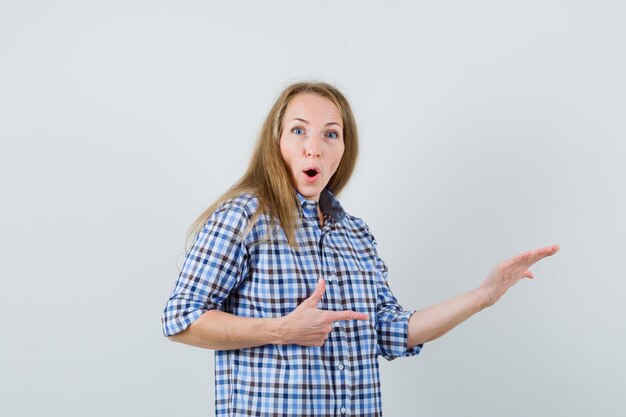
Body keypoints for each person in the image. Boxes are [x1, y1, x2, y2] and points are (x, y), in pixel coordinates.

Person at [161, 81, 559, 417]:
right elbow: (180, 319)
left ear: (343, 150)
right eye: (299, 130)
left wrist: (481, 296)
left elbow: (387, 331)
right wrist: (281, 330)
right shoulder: (244, 217)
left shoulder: (355, 233)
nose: (313, 147)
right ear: (276, 142)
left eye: (330, 133)